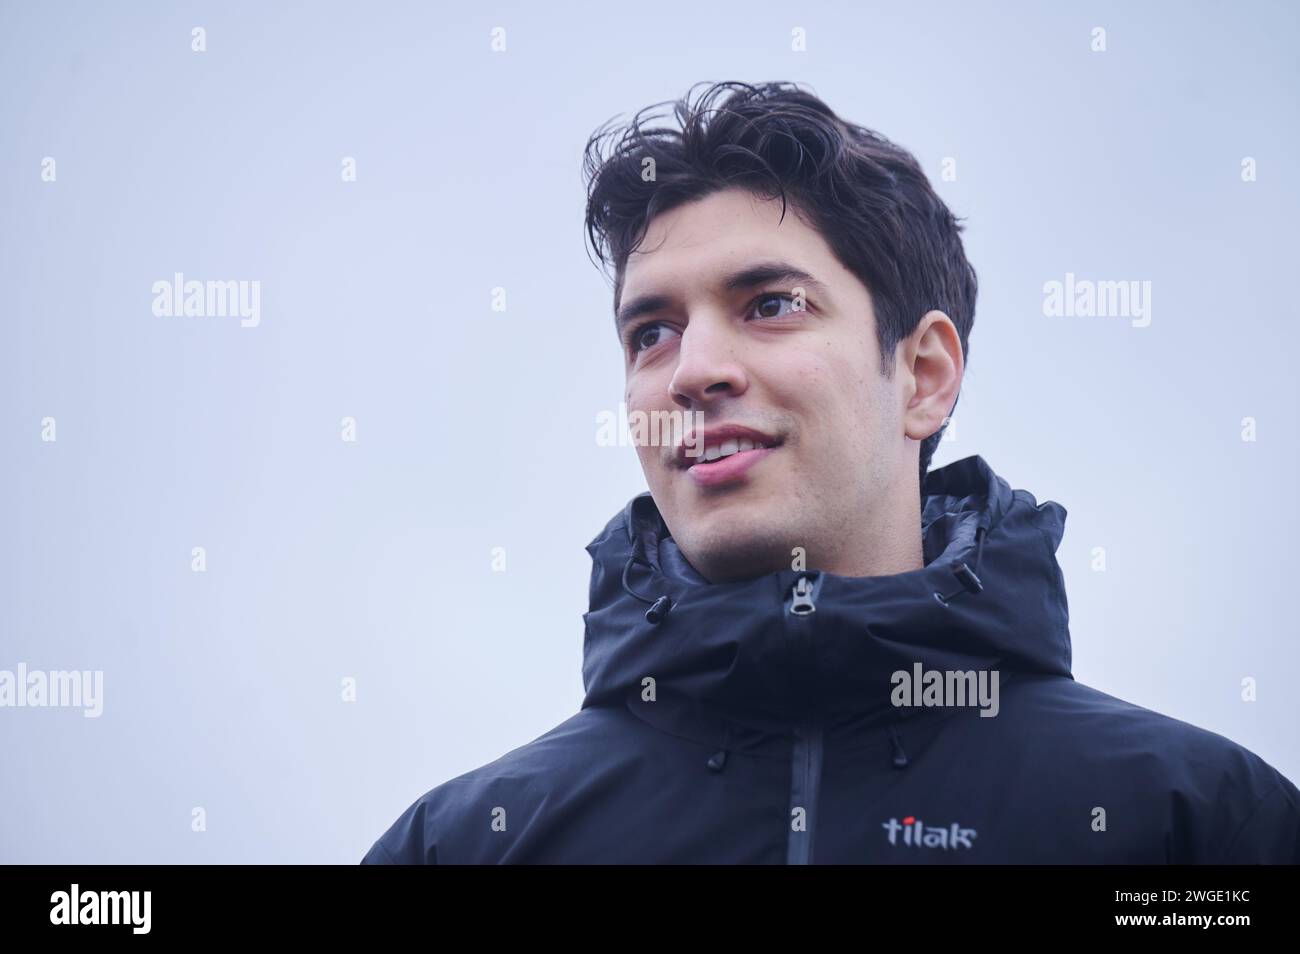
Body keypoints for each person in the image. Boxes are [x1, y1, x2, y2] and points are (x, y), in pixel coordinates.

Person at [362, 81, 1299, 863]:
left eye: (769, 304)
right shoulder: (463, 849)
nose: (692, 371)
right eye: (653, 332)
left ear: (924, 376)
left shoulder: (1198, 828)